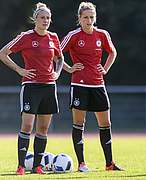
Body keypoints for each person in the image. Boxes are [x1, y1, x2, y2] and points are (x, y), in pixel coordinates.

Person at [0, 2, 64, 175]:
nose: (45, 21)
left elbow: (60, 58)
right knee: (27, 126)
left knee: (42, 129)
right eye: (42, 17)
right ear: (35, 19)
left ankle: (37, 166)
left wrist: (57, 73)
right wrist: (19, 70)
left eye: (48, 18)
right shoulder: (26, 37)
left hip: (49, 87)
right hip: (31, 87)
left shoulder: (53, 37)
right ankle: (21, 166)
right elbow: (3, 53)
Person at [60, 2, 123, 172]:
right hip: (79, 85)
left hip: (98, 85)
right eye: (85, 17)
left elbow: (113, 52)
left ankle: (110, 164)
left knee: (106, 123)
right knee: (79, 123)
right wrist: (69, 68)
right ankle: (82, 164)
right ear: (79, 18)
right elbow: (56, 53)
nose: (89, 20)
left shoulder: (102, 34)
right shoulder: (73, 35)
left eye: (91, 17)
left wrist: (106, 68)